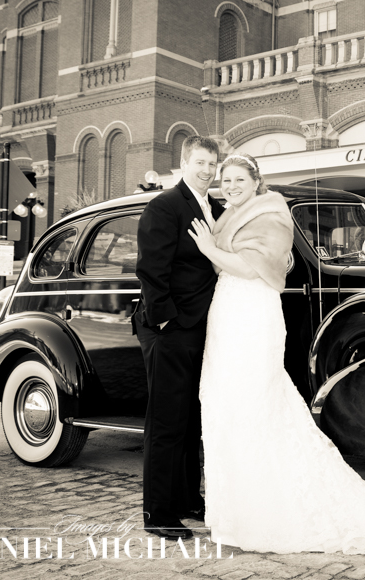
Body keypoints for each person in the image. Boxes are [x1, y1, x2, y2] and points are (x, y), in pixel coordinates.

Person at [188, 153, 365, 554]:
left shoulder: (270, 213)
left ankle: (265, 512)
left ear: (256, 182)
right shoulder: (230, 214)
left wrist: (206, 247)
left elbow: (249, 268)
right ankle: (237, 513)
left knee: (253, 405)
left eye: (239, 180)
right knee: (225, 405)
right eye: (225, 180)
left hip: (251, 314)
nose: (231, 186)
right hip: (228, 313)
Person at [134, 135, 223, 540]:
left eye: (212, 164)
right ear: (184, 163)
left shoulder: (216, 209)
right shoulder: (165, 206)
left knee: (190, 420)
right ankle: (159, 512)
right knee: (167, 422)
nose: (207, 171)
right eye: (200, 162)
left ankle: (187, 498)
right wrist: (166, 322)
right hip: (169, 328)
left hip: (202, 327)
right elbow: (151, 269)